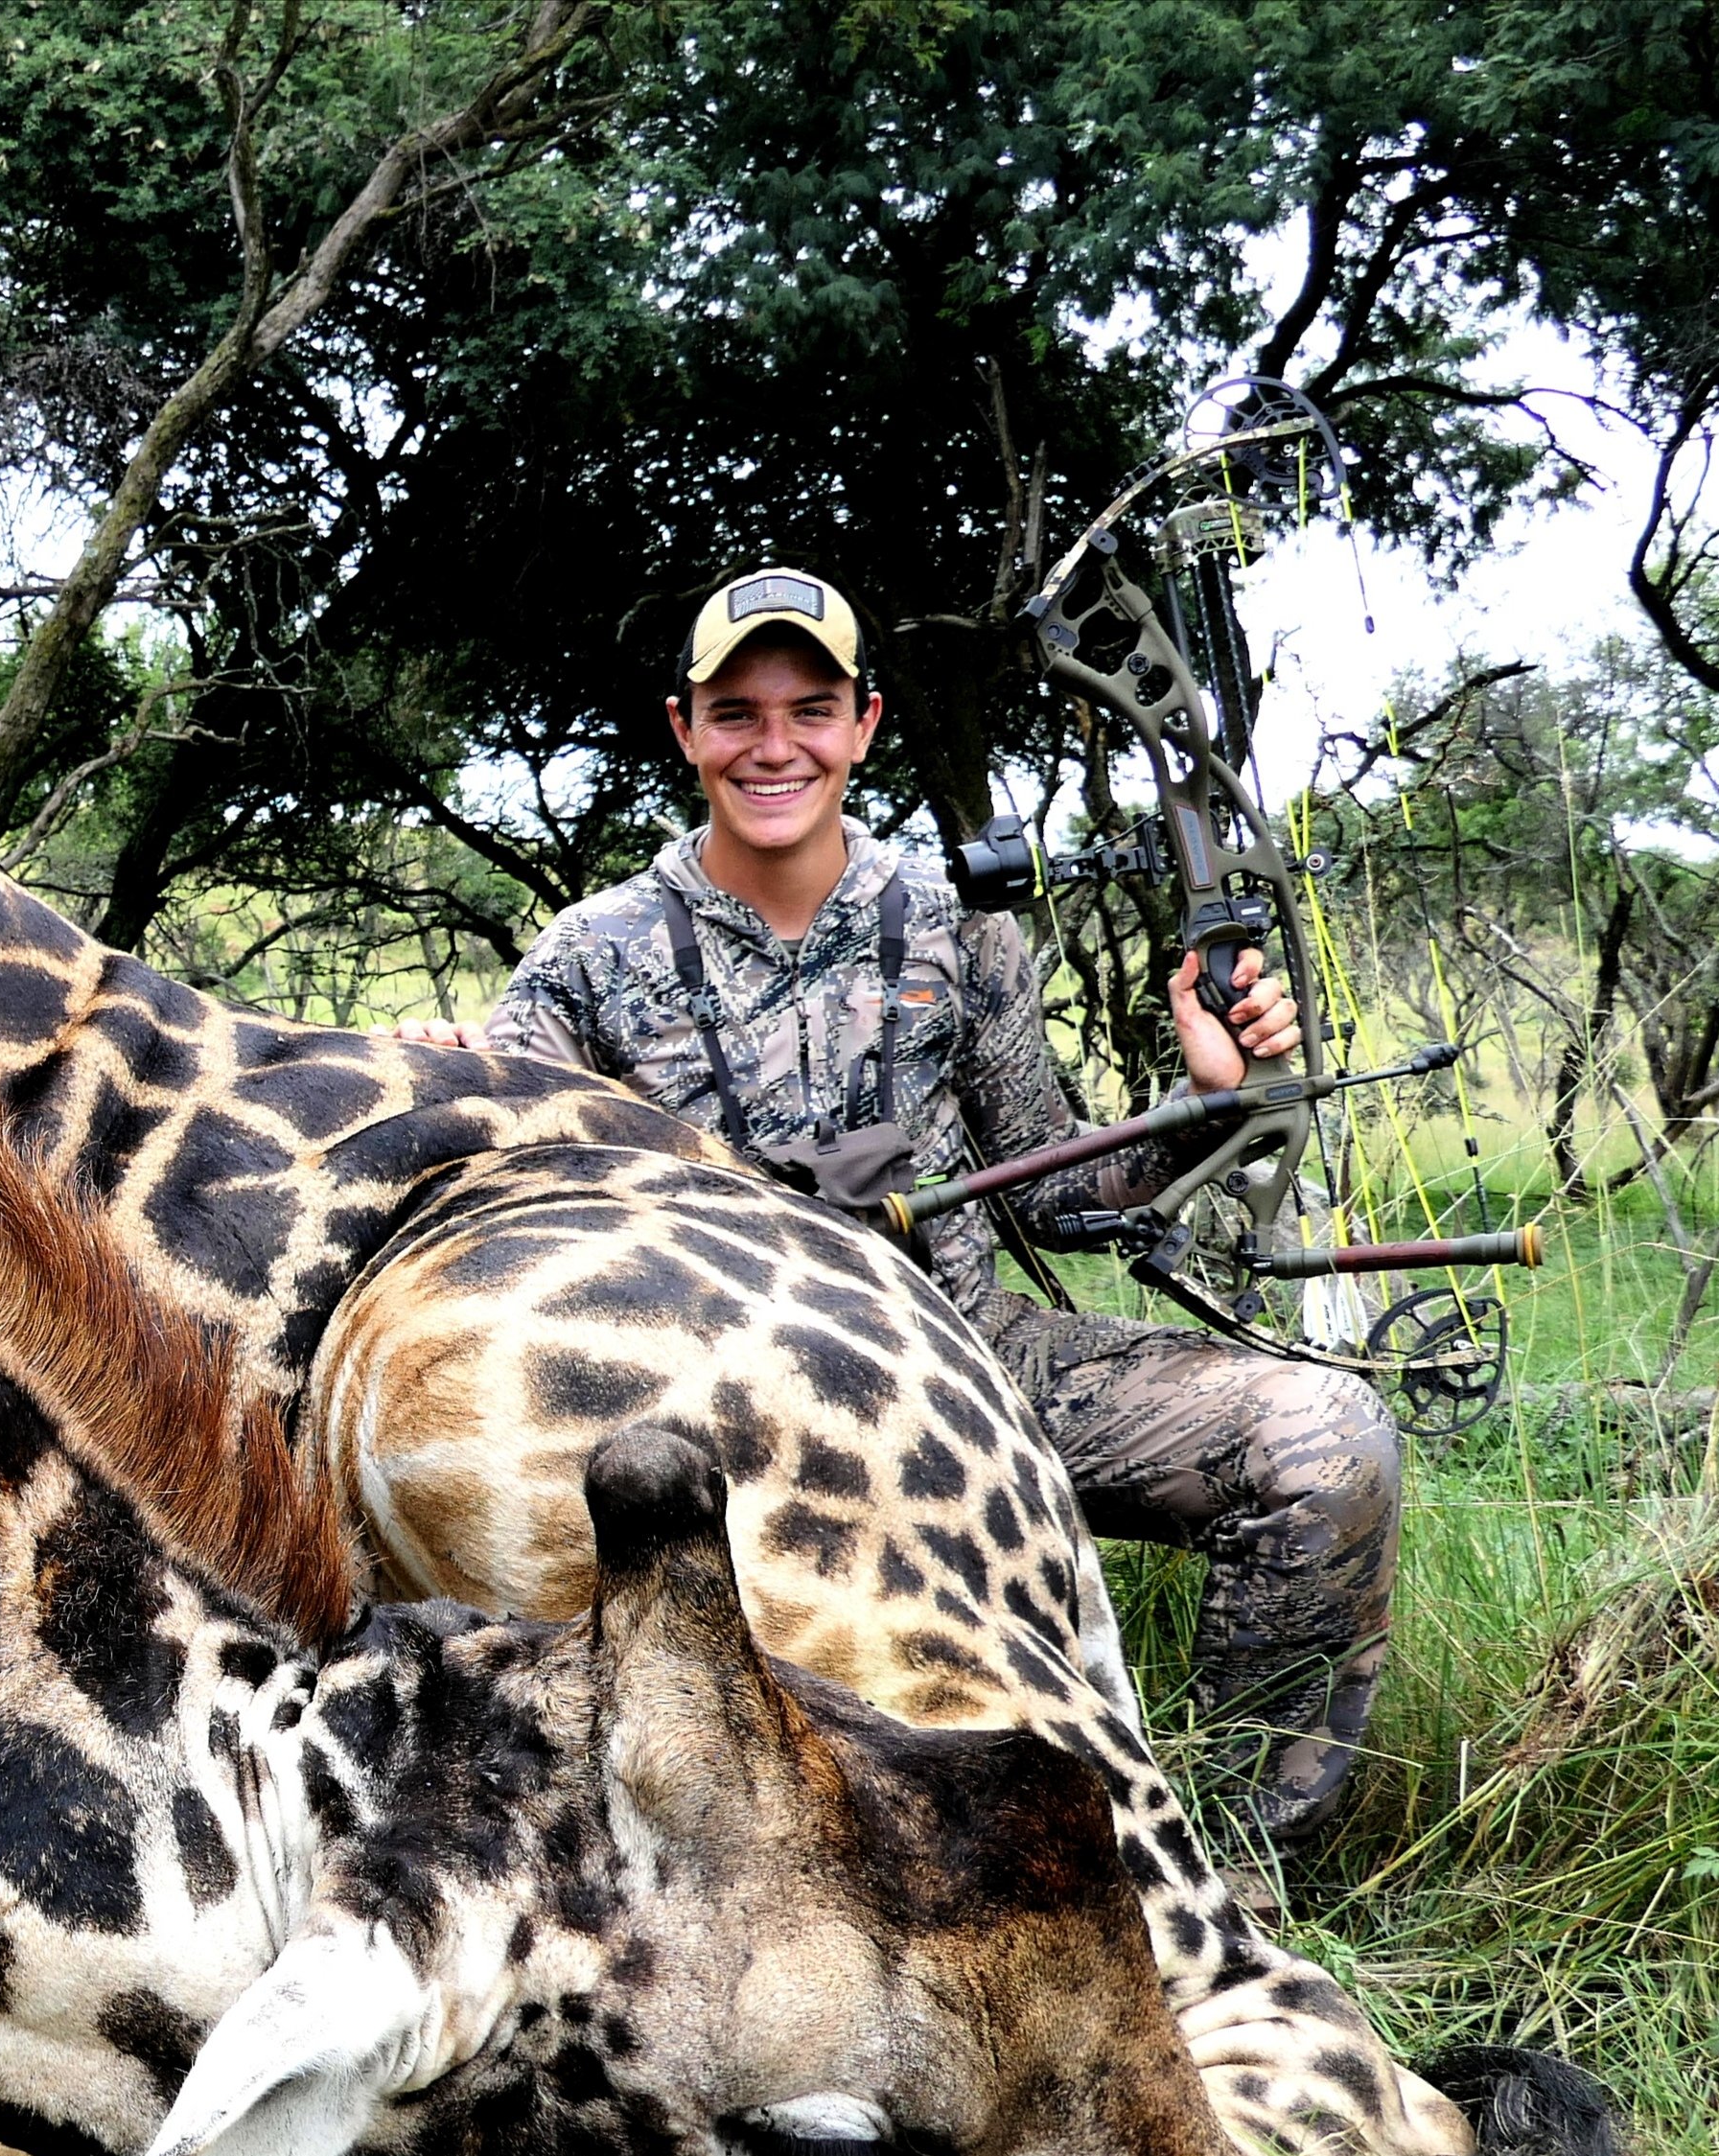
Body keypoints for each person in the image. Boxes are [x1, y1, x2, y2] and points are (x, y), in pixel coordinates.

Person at [407, 567, 1403, 1858]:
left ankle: (1223, 1864)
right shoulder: (593, 953)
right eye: (738, 713)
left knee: (1326, 1437)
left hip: (973, 1369)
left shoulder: (955, 932)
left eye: (811, 710)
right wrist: (439, 1079)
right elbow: (510, 1156)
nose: (777, 747)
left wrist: (1205, 1101)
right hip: (713, 1409)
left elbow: (1053, 1190)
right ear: (684, 728)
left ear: (864, 726)